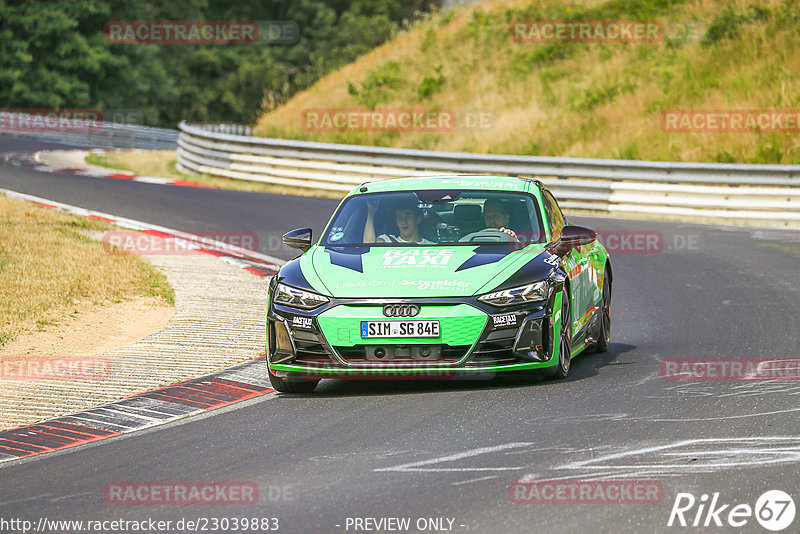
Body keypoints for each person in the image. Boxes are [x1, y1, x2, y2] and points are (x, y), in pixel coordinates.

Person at [363, 199, 433, 244]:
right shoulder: (387, 241)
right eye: (399, 218)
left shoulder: (431, 246)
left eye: (407, 217)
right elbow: (368, 245)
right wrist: (371, 212)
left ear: (418, 219)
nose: (403, 222)